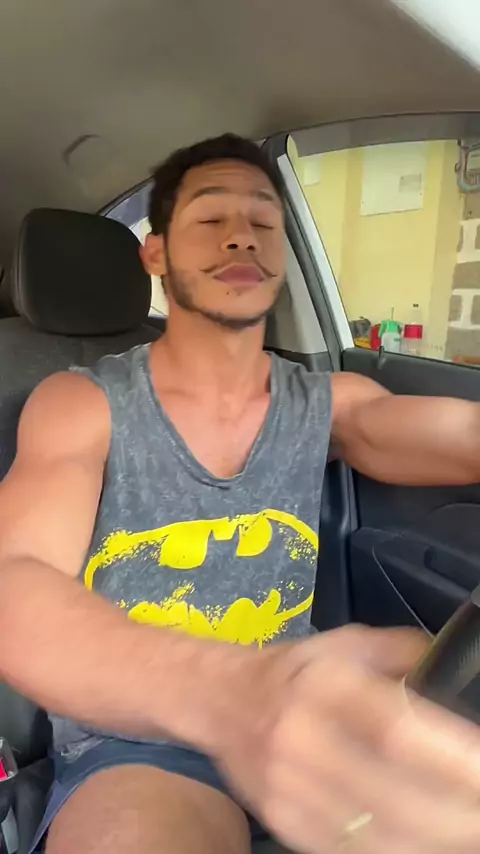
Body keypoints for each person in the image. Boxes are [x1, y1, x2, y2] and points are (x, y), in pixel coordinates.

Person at [0, 133, 480, 854]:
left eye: (263, 220)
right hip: (141, 744)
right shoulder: (83, 405)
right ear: (156, 254)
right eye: (210, 217)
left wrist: (283, 699)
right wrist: (237, 696)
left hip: (310, 715)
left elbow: (462, 432)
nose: (241, 236)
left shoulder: (330, 403)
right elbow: (15, 581)